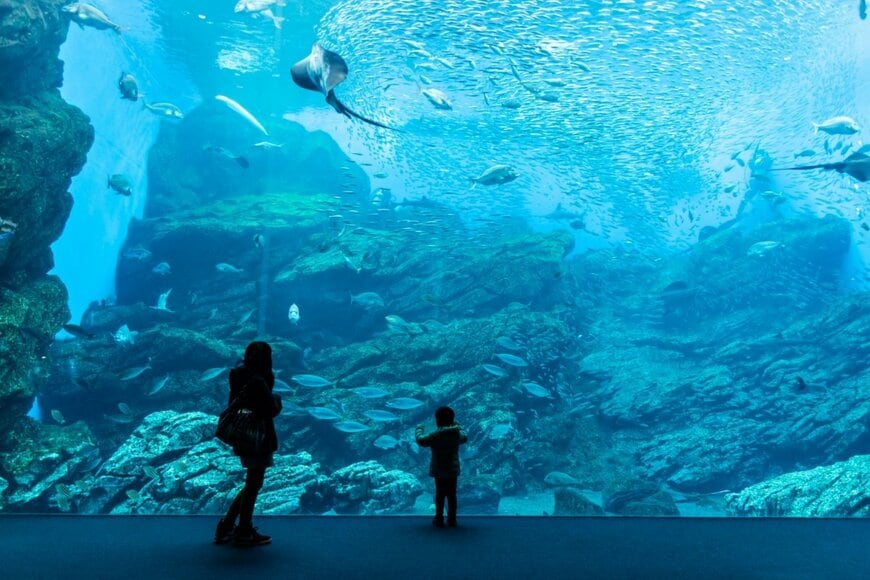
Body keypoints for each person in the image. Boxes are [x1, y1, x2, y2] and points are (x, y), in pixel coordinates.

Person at [215, 341, 282, 546]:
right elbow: (269, 408)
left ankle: (227, 526)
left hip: (242, 433)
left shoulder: (237, 374)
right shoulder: (259, 378)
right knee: (254, 483)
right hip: (258, 436)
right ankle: (243, 530)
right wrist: (277, 398)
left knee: (252, 482)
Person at [415, 406, 468, 528]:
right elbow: (464, 436)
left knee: (439, 493)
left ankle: (439, 518)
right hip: (452, 468)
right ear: (452, 419)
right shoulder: (456, 434)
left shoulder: (436, 435)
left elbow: (421, 441)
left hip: (439, 469)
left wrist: (419, 428)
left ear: (437, 420)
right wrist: (458, 425)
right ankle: (452, 519)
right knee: (452, 494)